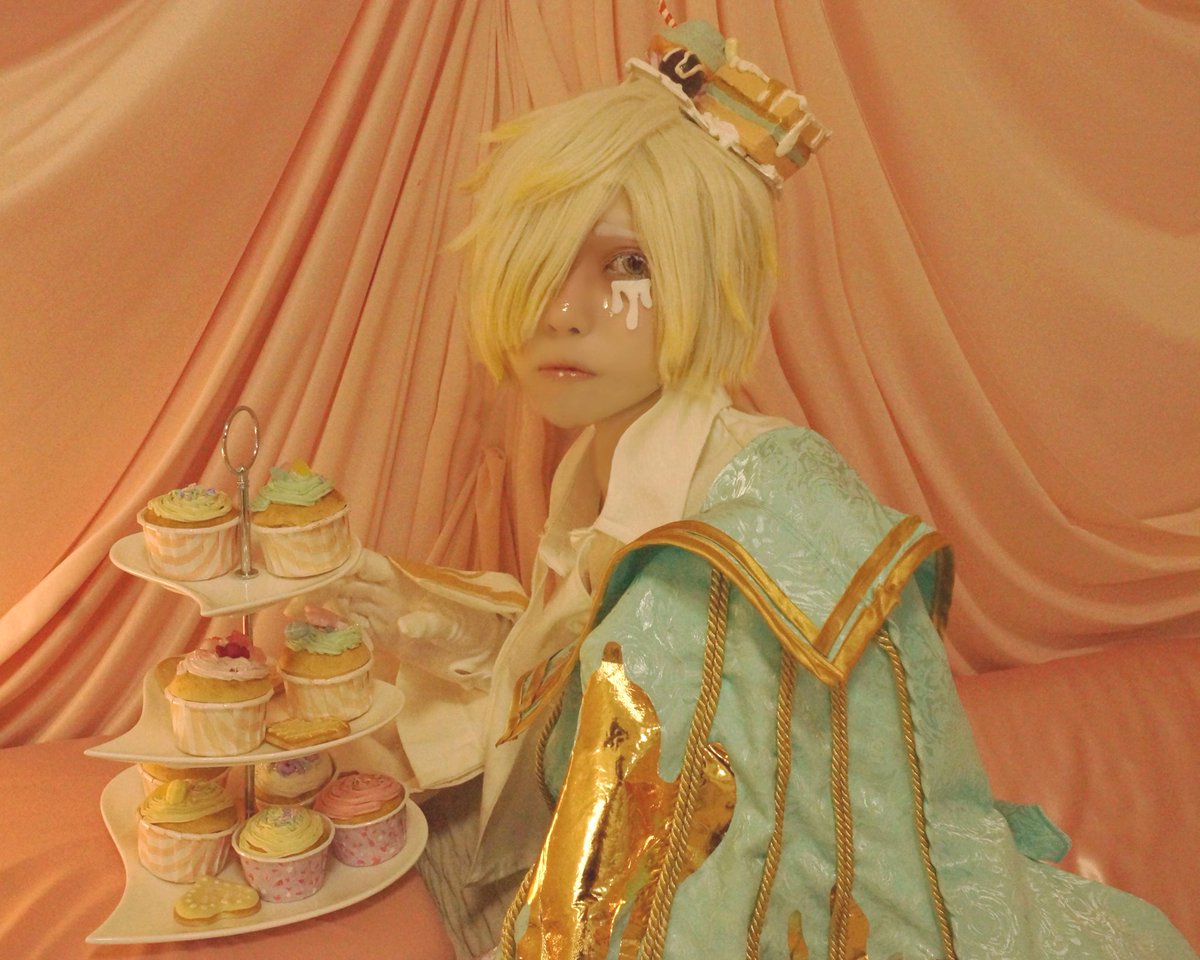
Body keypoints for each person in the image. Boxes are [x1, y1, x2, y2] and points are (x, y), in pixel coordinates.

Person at [320, 20, 1197, 960]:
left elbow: (694, 882)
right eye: (540, 259)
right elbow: (582, 678)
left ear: (709, 276)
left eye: (630, 264)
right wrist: (431, 621)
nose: (562, 311)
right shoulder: (614, 464)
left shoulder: (740, 529)